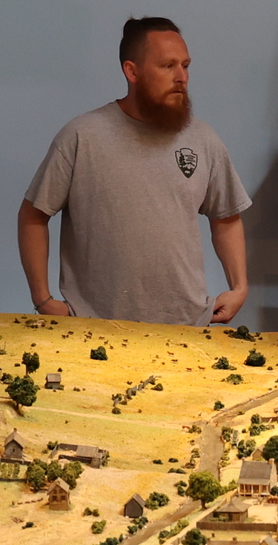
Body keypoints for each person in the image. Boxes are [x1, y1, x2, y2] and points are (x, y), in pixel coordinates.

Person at [18, 16, 251, 324]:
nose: (181, 77)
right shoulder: (82, 136)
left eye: (185, 65)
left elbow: (227, 219)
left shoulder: (203, 140)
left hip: (186, 325)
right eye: (168, 66)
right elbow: (33, 216)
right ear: (132, 71)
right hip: (94, 327)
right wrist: (43, 299)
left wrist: (239, 288)